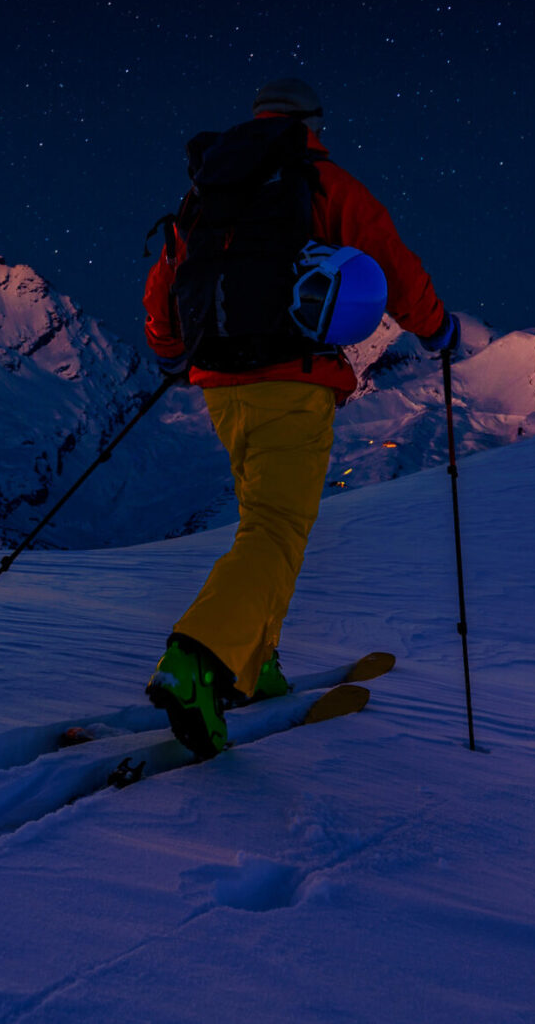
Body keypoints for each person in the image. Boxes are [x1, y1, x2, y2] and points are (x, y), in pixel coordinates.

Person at [141, 77, 462, 759]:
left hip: (220, 388)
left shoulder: (209, 189)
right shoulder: (321, 182)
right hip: (291, 381)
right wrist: (436, 331)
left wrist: (176, 350)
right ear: (312, 123)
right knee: (277, 528)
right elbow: (394, 265)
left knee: (265, 522)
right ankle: (196, 658)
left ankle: (252, 664)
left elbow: (166, 284)